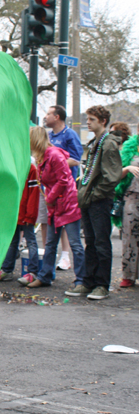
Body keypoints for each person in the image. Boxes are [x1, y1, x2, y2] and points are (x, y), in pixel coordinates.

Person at [65, 106, 121, 300]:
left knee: (101, 243)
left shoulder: (108, 143)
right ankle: (88, 282)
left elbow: (111, 177)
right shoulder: (95, 142)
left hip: (99, 201)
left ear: (103, 121)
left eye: (91, 119)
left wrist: (95, 194)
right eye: (87, 119)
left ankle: (102, 285)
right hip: (89, 200)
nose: (87, 122)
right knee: (90, 242)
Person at [26, 127, 85, 290]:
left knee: (75, 243)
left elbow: (63, 180)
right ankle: (45, 276)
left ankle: (81, 280)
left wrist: (50, 198)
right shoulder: (43, 157)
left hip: (67, 204)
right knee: (51, 243)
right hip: (56, 204)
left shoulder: (53, 155)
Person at [43, 105, 83, 271]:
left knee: (70, 228)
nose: (45, 117)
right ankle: (45, 271)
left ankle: (66, 257)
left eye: (48, 113)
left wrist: (55, 165)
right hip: (50, 190)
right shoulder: (49, 136)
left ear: (57, 116)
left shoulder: (69, 134)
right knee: (51, 228)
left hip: (66, 190)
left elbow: (76, 159)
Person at [0, 161, 40, 284]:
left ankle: (32, 272)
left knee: (31, 242)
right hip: (15, 214)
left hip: (26, 214)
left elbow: (34, 194)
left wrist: (30, 215)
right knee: (12, 242)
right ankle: (7, 270)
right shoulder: (13, 166)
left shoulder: (31, 169)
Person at [115, 126, 139, 287]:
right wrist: (128, 168)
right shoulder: (130, 146)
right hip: (132, 197)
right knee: (129, 236)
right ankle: (128, 275)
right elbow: (116, 174)